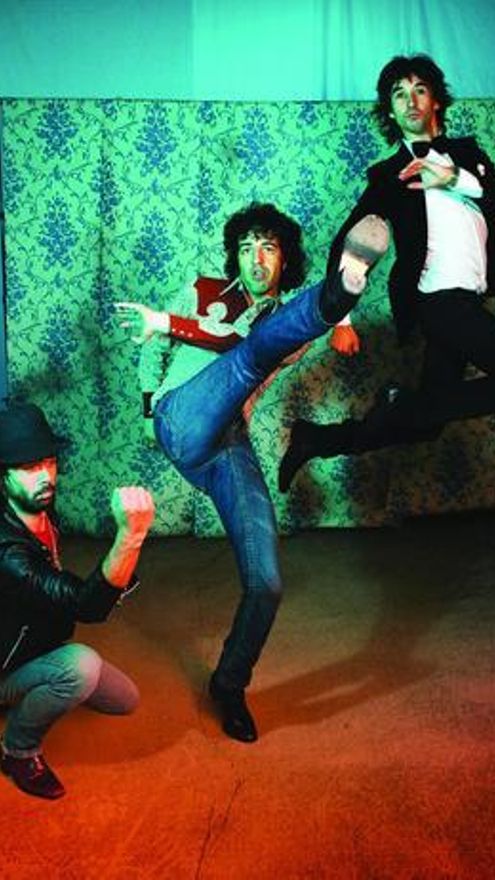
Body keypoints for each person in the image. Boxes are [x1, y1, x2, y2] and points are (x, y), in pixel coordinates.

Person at [116, 202, 388, 743]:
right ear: (233, 257)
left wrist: (340, 318)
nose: (255, 259)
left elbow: (250, 345)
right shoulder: (199, 290)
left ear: (285, 260)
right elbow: (159, 347)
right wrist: (149, 408)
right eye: (245, 248)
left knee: (266, 583)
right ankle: (339, 291)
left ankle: (229, 684)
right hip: (181, 416)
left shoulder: (288, 327)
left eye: (268, 247)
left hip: (227, 443)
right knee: (249, 355)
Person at [279, 54, 495, 493]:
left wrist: (451, 178)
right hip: (437, 300)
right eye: (399, 94)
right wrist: (341, 317)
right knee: (428, 409)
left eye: (420, 90)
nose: (410, 101)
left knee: (426, 423)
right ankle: (401, 405)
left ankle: (319, 438)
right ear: (391, 111)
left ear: (436, 101)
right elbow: (347, 240)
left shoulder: (469, 155)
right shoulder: (387, 176)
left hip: (470, 298)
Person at [0, 402, 155, 799]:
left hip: (38, 640)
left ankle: (45, 684)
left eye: (49, 462)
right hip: (5, 663)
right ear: (3, 475)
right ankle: (17, 750)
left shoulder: (40, 506)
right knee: (80, 667)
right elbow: (88, 608)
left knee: (126, 700)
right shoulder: (9, 554)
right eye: (29, 466)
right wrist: (130, 537)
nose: (45, 477)